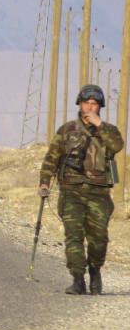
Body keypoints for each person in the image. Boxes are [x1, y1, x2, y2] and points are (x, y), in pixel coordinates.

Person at [39, 84, 123, 295]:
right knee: (73, 235)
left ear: (100, 107)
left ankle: (95, 272)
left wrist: (100, 125)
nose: (89, 108)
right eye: (86, 103)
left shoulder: (109, 131)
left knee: (98, 238)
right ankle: (77, 279)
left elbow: (117, 146)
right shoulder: (67, 130)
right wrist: (44, 182)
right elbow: (52, 156)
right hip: (71, 191)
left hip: (99, 192)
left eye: (94, 104)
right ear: (79, 104)